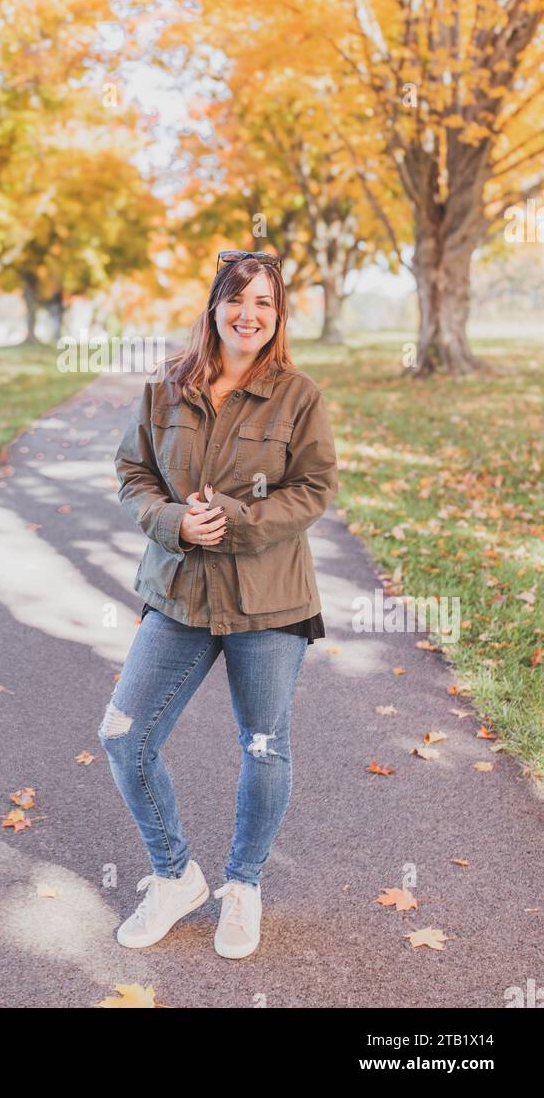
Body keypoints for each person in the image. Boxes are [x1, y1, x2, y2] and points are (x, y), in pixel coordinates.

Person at [100, 249, 339, 959]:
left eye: (265, 302)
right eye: (238, 298)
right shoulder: (167, 387)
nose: (249, 314)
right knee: (123, 733)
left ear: (278, 315)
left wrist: (237, 519)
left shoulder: (299, 395)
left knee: (263, 746)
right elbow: (133, 470)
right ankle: (176, 877)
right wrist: (172, 522)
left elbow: (315, 488)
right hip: (177, 592)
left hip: (270, 603)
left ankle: (244, 885)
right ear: (214, 307)